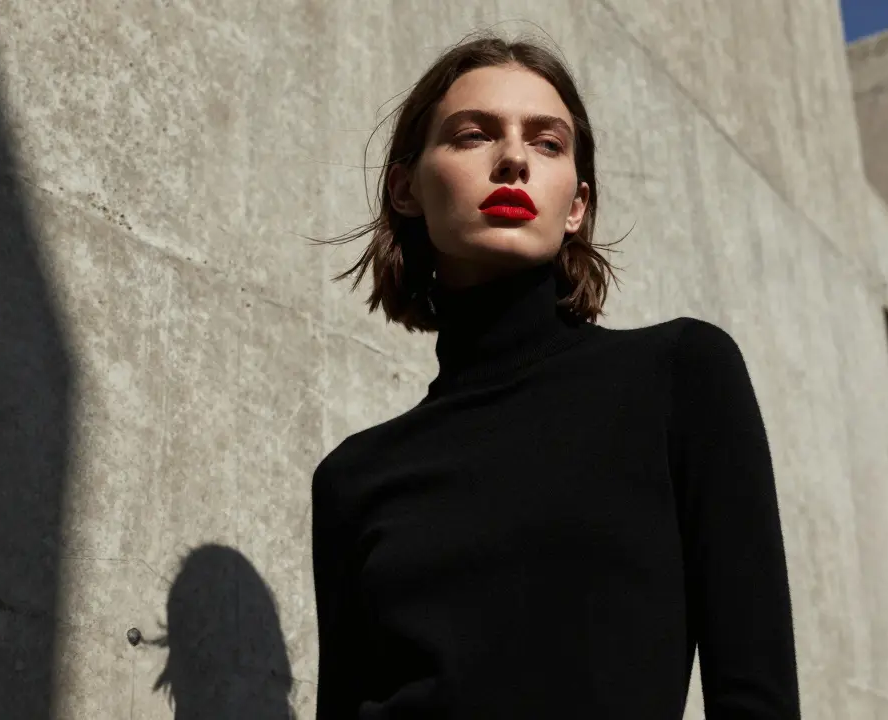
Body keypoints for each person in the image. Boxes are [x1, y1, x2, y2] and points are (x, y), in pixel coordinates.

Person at [307, 32, 800, 719]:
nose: (513, 158)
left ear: (576, 206)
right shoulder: (352, 478)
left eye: (547, 143)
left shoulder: (679, 377)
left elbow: (756, 695)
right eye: (473, 135)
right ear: (406, 187)